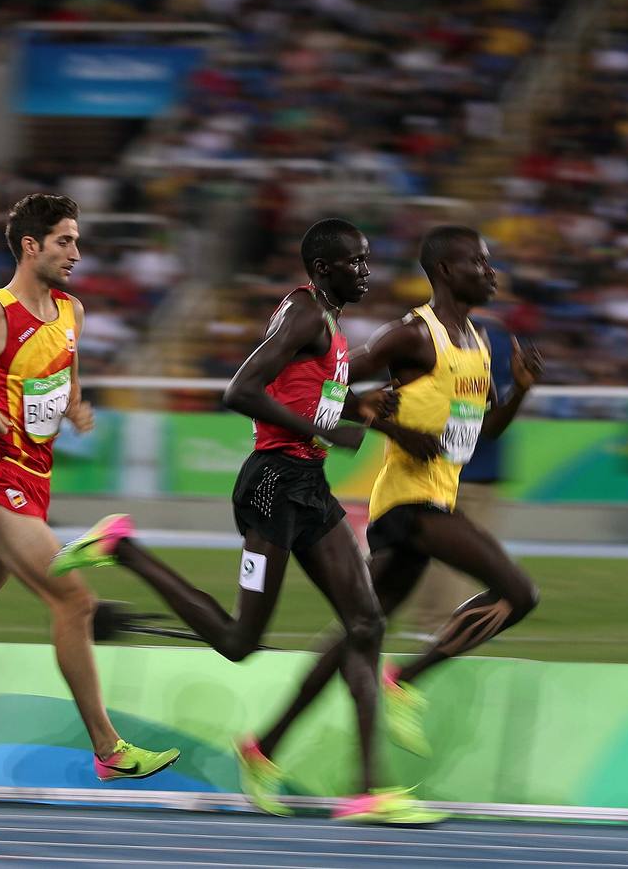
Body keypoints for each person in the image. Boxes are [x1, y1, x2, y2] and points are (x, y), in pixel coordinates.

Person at [52, 219, 435, 823]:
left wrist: (351, 411)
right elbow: (240, 390)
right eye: (357, 262)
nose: (368, 270)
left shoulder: (329, 327)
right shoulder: (305, 315)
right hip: (273, 489)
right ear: (326, 268)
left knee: (365, 623)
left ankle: (366, 789)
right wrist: (325, 428)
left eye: (367, 259)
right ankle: (124, 547)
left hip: (308, 488)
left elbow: (309, 397)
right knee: (239, 642)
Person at [244, 226, 542, 805]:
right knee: (519, 593)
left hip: (439, 497)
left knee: (356, 636)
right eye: (480, 263)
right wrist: (390, 424)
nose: (492, 272)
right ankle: (405, 680)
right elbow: (334, 382)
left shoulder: (478, 344)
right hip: (408, 504)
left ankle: (263, 747)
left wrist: (520, 392)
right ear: (448, 272)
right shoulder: (411, 336)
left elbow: (471, 439)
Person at [0, 194, 181, 783]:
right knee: (74, 600)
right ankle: (108, 749)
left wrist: (74, 406)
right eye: (65, 241)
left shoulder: (73, 311)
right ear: (31, 246)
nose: (77, 252)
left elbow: (64, 373)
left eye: (76, 240)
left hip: (35, 480)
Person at [395, 307, 513, 637]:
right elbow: (496, 406)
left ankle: (431, 621)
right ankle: (438, 625)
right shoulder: (493, 338)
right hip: (471, 469)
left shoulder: (437, 333)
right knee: (461, 555)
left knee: (433, 550)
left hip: (443, 465)